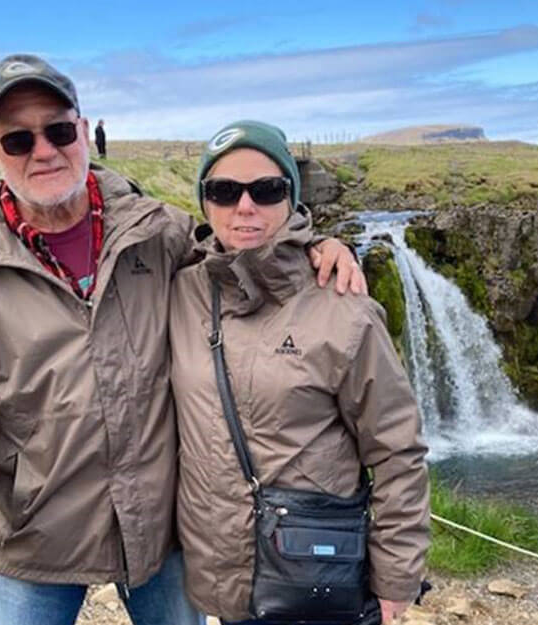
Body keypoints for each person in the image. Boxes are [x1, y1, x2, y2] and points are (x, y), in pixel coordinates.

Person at [0, 56, 365, 625]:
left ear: (84, 130)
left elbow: (244, 255)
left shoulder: (161, 234)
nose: (44, 151)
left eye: (57, 130)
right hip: (33, 541)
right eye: (18, 139)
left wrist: (311, 246)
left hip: (164, 533)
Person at [169, 121, 430, 625]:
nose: (244, 207)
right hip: (228, 579)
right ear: (204, 201)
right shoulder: (182, 291)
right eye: (224, 191)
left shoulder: (345, 309)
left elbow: (398, 449)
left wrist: (397, 574)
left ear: (292, 197)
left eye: (266, 190)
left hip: (318, 576)